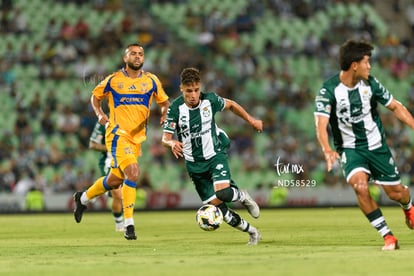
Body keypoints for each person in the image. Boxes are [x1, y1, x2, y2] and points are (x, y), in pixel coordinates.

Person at [314, 39, 414, 251]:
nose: (370, 66)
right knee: (360, 187)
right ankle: (388, 237)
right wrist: (327, 148)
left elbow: (396, 107)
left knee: (397, 193)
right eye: (367, 62)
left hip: (377, 147)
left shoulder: (371, 84)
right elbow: (321, 124)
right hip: (351, 150)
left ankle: (408, 207)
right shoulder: (329, 90)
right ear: (355, 65)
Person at [73, 43, 170, 240]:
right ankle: (129, 225)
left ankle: (82, 198)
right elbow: (95, 97)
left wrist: (164, 113)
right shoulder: (114, 80)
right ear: (125, 58)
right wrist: (100, 115)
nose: (137, 57)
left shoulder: (151, 80)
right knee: (133, 173)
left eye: (140, 54)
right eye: (133, 54)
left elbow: (164, 102)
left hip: (137, 138)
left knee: (115, 179)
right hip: (117, 135)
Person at [161, 67, 263, 245]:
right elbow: (165, 138)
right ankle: (253, 233)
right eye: (189, 91)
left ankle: (242, 196)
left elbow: (231, 105)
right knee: (221, 211)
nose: (193, 95)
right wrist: (171, 143)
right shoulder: (175, 109)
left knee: (223, 192)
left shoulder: (210, 100)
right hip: (194, 165)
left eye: (196, 90)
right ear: (181, 89)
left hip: (215, 154)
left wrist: (252, 120)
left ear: (200, 87)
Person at [89, 114, 124, 232]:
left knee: (120, 196)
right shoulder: (104, 122)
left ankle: (99, 189)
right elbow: (92, 144)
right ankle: (120, 224)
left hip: (125, 161)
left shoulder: (130, 118)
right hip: (109, 161)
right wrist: (113, 148)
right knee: (117, 194)